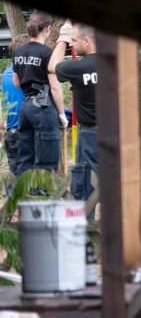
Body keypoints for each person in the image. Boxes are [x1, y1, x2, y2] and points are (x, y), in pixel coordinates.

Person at [49, 21, 98, 204]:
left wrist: (62, 37)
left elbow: (52, 65)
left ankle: (85, 228)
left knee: (84, 183)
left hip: (89, 134)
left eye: (74, 40)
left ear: (87, 41)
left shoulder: (78, 68)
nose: (72, 44)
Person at [13, 12, 67, 174]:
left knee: (26, 157)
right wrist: (62, 113)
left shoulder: (18, 52)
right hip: (43, 107)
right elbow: (55, 87)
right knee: (46, 157)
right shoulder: (47, 53)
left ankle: (24, 195)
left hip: (26, 107)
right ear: (48, 29)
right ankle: (40, 196)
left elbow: (17, 83)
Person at [2, 34, 30, 179]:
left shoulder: (6, 73)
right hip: (26, 133)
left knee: (15, 180)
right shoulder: (26, 74)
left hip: (11, 133)